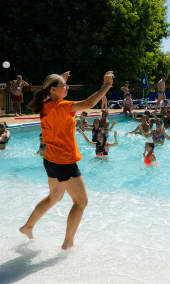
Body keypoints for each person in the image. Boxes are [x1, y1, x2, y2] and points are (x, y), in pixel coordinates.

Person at [19, 70, 115, 250]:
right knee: (81, 202)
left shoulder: (45, 105)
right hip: (63, 161)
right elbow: (89, 103)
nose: (67, 87)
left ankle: (28, 227)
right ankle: (68, 243)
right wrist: (107, 85)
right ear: (53, 90)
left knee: (54, 197)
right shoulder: (63, 106)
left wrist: (61, 80)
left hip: (50, 159)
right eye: (64, 85)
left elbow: (54, 92)